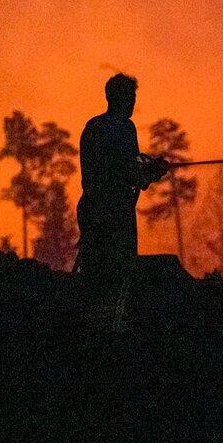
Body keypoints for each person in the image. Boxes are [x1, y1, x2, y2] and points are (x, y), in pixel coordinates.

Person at [76, 74, 168, 285]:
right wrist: (154, 172)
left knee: (92, 276)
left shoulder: (92, 127)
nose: (134, 102)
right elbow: (133, 174)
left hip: (90, 210)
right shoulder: (125, 127)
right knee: (119, 278)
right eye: (132, 97)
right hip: (116, 215)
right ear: (124, 98)